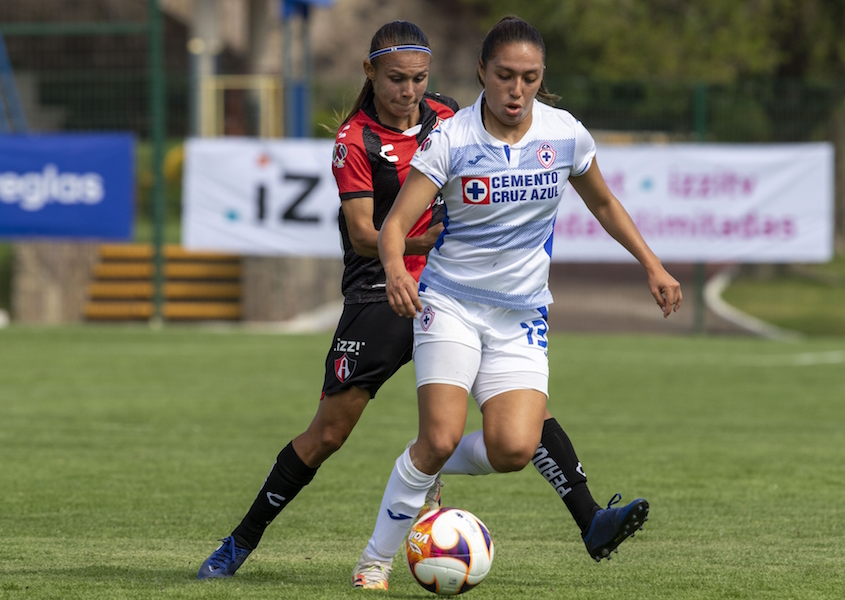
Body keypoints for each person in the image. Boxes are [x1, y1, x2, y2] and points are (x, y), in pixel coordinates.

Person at [352, 15, 683, 590]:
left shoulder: (563, 134)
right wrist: (393, 270)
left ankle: (420, 468)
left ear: (541, 77)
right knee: (441, 435)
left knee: (513, 447)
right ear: (482, 71)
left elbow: (603, 203)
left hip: (521, 313)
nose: (517, 89)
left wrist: (651, 264)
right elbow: (394, 225)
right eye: (505, 75)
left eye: (529, 77)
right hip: (451, 303)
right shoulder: (451, 138)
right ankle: (373, 564)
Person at [196, 20, 457, 580]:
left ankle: (584, 515)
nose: (408, 91)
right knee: (329, 434)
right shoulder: (354, 141)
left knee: (512, 408)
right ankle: (241, 541)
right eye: (395, 79)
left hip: (451, 289)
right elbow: (364, 234)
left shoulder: (450, 117)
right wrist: (422, 240)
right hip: (379, 292)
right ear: (370, 72)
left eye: (417, 79)